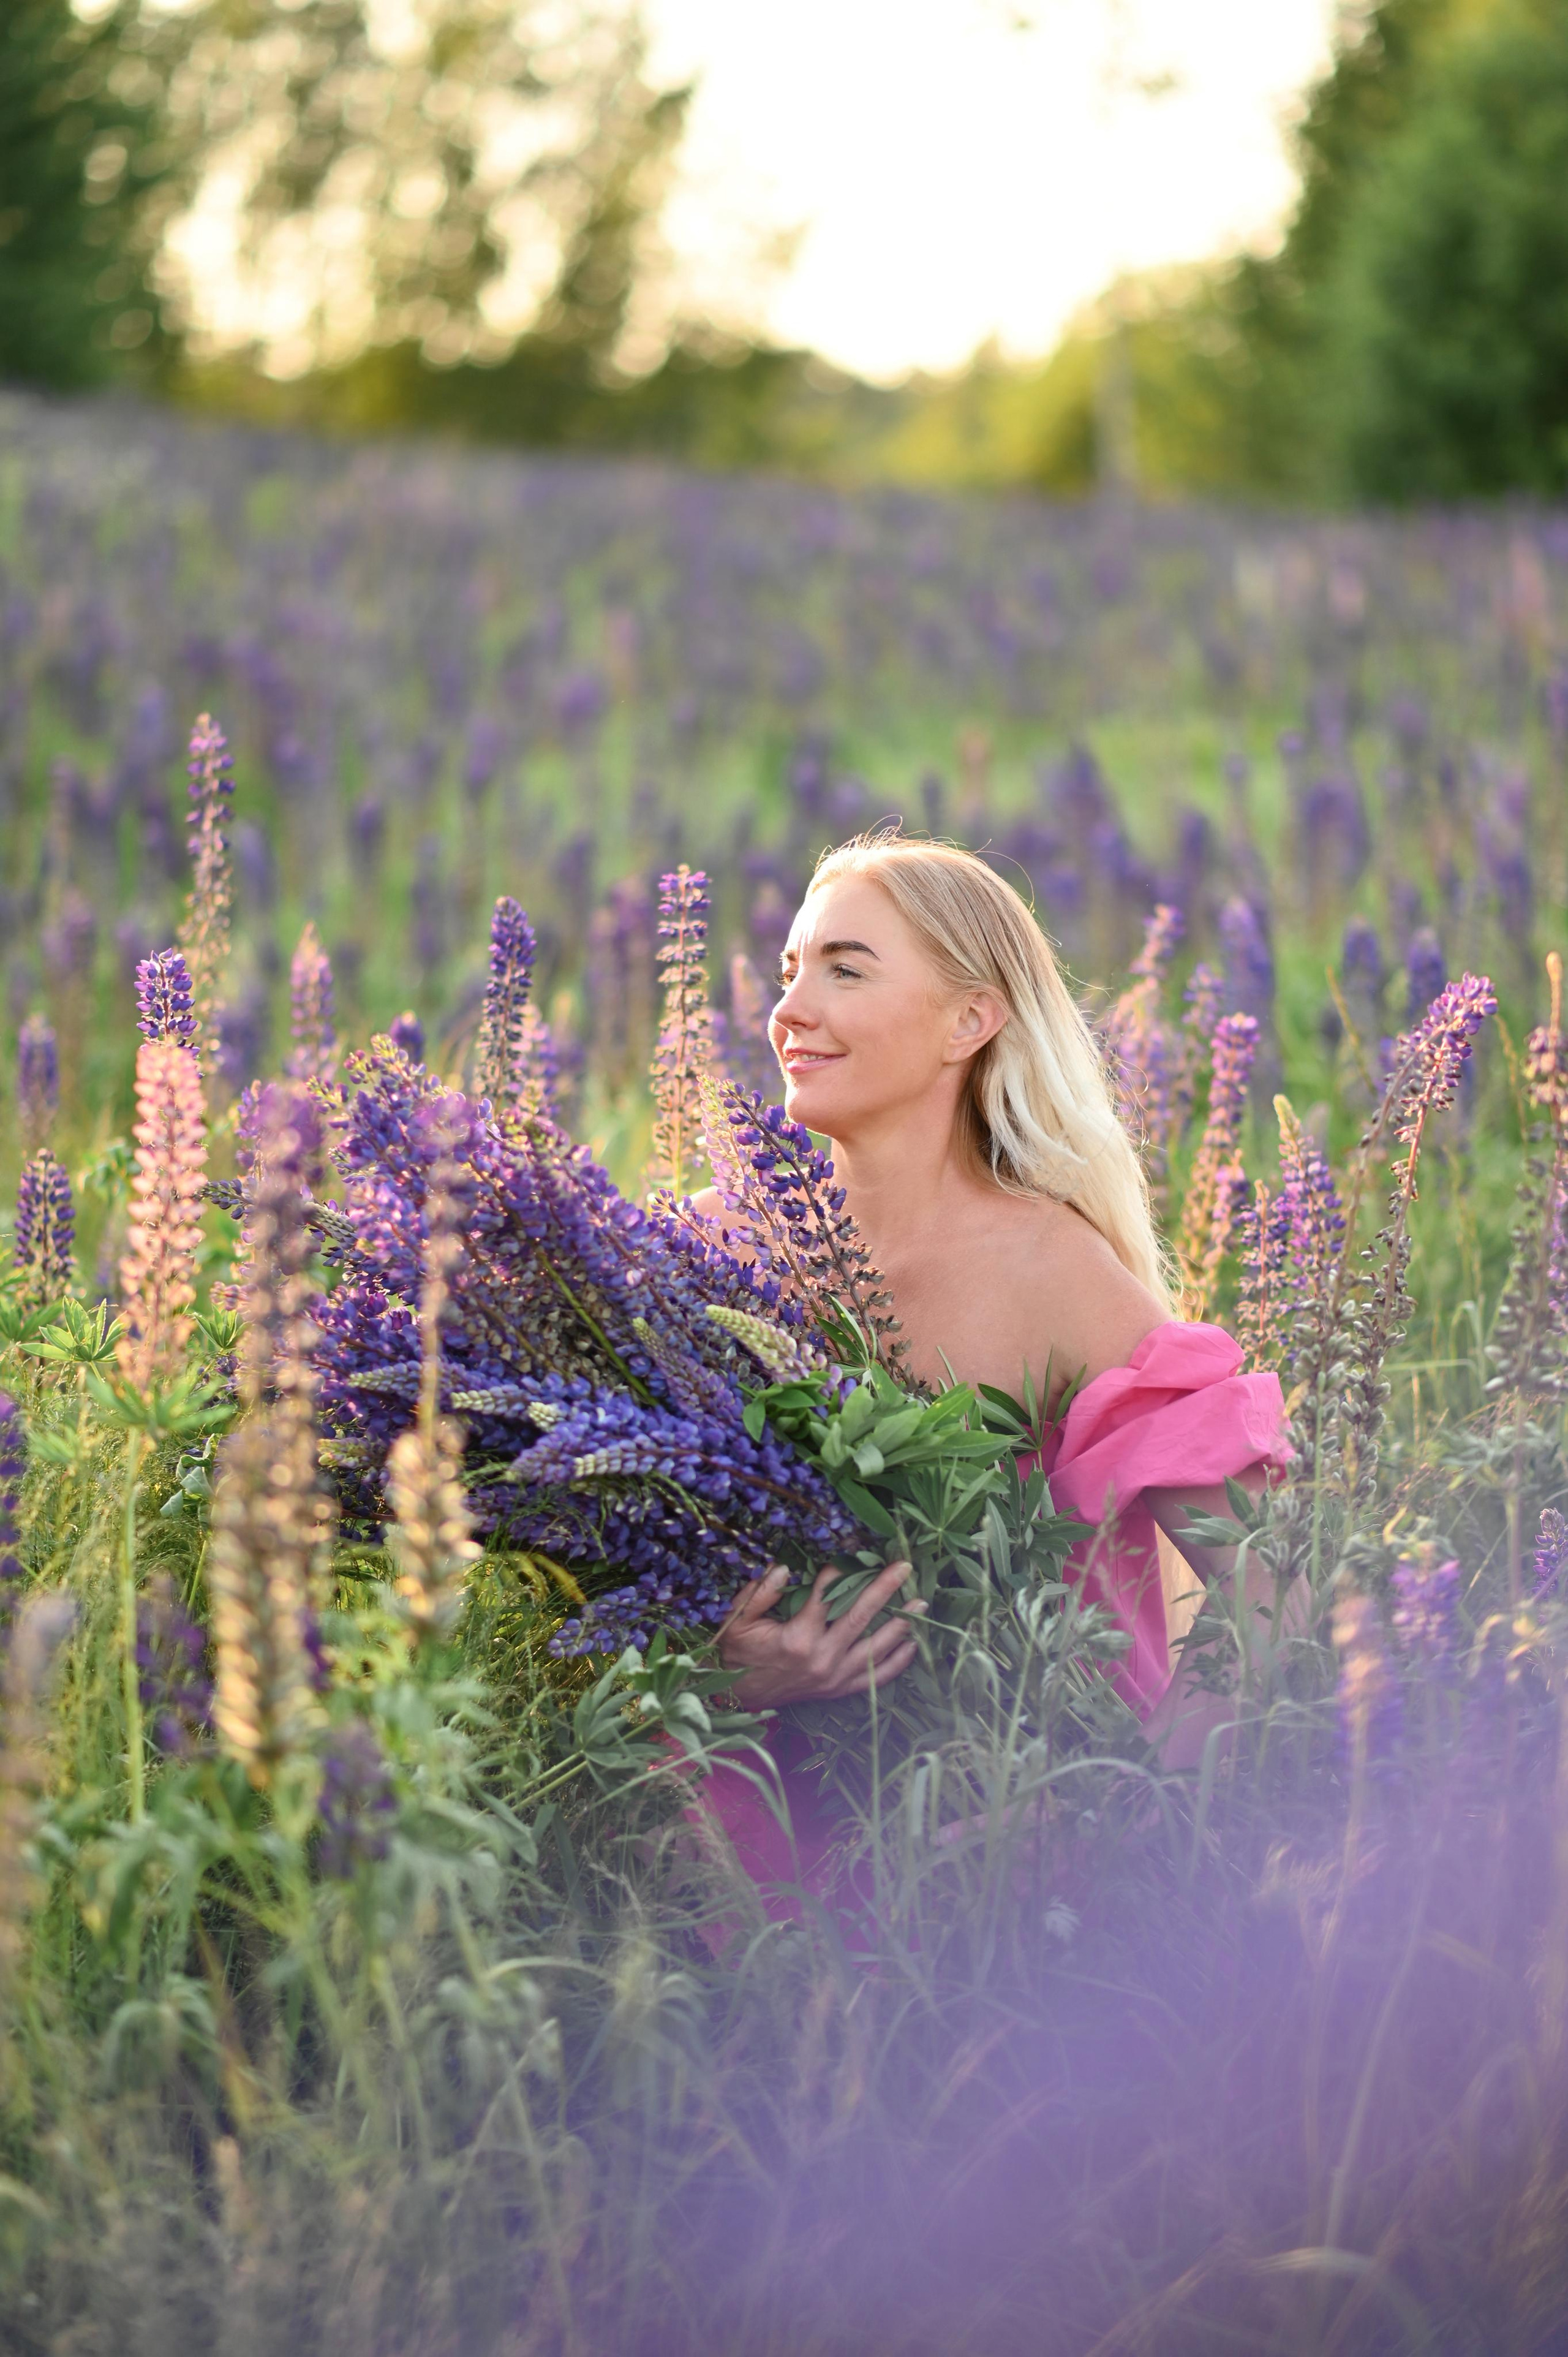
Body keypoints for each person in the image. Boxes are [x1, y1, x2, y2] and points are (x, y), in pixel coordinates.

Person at [687, 834, 1298, 1911]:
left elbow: (1266, 1585)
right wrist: (720, 1677)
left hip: (1007, 1878)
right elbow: (570, 1588)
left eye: (845, 968)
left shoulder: (1049, 1268)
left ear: (970, 1020)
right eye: (789, 971)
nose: (789, 1008)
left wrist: (1129, 1808)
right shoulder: (702, 1250)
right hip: (740, 1874)